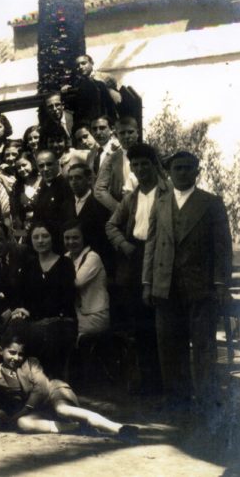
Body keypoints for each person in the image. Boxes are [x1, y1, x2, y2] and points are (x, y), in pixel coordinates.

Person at [142, 151, 232, 413]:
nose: (182, 172)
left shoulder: (211, 203)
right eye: (177, 168)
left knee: (204, 345)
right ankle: (176, 400)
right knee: (169, 345)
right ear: (169, 173)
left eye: (187, 168)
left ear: (197, 172)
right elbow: (151, 244)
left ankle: (206, 401)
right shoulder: (161, 202)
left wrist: (221, 284)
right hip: (165, 286)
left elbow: (222, 248)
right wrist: (147, 282)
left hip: (200, 287)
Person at [0, 334, 138, 442]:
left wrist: (21, 412)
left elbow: (41, 389)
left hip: (53, 392)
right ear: (1, 350)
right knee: (23, 423)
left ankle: (119, 429)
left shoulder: (31, 363)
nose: (16, 358)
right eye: (12, 353)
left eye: (20, 354)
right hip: (40, 409)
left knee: (62, 410)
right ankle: (75, 427)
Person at [106, 143, 167, 395]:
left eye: (145, 164)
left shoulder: (167, 192)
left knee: (160, 324)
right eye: (136, 165)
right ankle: (146, 382)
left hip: (161, 259)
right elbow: (111, 225)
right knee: (140, 325)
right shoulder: (131, 197)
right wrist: (124, 245)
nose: (141, 169)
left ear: (154, 165)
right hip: (135, 260)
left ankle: (164, 383)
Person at [9, 221, 77, 379]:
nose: (40, 240)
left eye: (45, 236)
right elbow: (20, 294)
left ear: (52, 238)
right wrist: (20, 309)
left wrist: (34, 312)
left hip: (61, 321)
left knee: (43, 334)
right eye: (36, 237)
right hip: (34, 321)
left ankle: (48, 380)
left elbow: (66, 298)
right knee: (15, 326)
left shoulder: (65, 264)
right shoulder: (29, 265)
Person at [63, 220, 109, 340]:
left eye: (75, 238)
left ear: (84, 238)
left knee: (59, 329)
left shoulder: (92, 257)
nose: (71, 242)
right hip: (76, 314)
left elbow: (76, 282)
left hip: (94, 316)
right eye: (67, 238)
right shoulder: (66, 257)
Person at [95, 116, 140, 212]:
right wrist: (119, 209)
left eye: (130, 132)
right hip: (124, 209)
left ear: (137, 133)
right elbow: (99, 190)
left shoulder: (149, 153)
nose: (126, 136)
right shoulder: (111, 159)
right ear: (116, 135)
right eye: (122, 133)